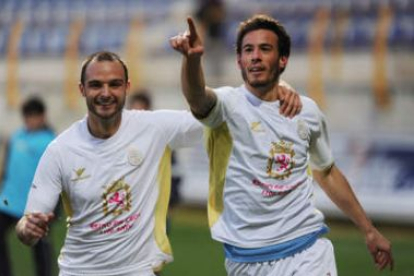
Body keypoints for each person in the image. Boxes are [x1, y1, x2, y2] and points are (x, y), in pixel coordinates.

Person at [14, 51, 300, 276]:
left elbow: (217, 110)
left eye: (114, 84)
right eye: (95, 85)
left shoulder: (153, 127)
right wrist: (27, 229)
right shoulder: (60, 150)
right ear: (81, 89)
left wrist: (274, 87)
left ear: (126, 87)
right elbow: (28, 223)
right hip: (79, 271)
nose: (105, 93)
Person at [169, 14, 394, 276]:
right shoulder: (227, 105)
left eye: (265, 49)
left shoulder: (306, 111)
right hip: (245, 259)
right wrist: (192, 59)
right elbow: (197, 97)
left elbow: (327, 171)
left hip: (306, 250)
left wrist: (368, 229)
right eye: (248, 50)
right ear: (239, 60)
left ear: (283, 59)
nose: (255, 56)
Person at [0, 96, 55, 276]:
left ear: (42, 116)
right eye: (27, 116)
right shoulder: (17, 136)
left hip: (35, 205)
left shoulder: (50, 141)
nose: (30, 121)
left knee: (40, 246)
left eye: (33, 116)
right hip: (10, 200)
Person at [128, 90, 182, 232]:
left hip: (157, 210)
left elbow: (174, 173)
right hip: (129, 212)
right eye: (134, 111)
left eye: (141, 111)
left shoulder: (162, 140)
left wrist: (172, 202)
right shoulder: (121, 141)